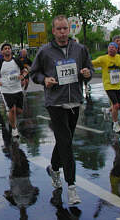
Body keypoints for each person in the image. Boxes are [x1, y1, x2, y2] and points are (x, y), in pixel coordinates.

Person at [30, 15, 92, 205]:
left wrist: (87, 74)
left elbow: (89, 69)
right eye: (59, 29)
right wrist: (44, 80)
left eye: (65, 28)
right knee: (66, 144)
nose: (63, 32)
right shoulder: (45, 51)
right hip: (55, 103)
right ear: (53, 31)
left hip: (74, 101)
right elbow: (34, 73)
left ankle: (54, 169)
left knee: (64, 141)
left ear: (69, 29)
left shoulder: (80, 49)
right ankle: (72, 188)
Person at [92, 42, 120, 133]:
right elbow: (92, 63)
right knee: (116, 105)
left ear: (117, 50)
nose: (111, 49)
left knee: (119, 106)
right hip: (108, 85)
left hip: (117, 85)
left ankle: (107, 110)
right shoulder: (103, 59)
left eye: (113, 47)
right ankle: (115, 124)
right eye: (110, 47)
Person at [0, 43, 28, 139]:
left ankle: (10, 115)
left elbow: (25, 70)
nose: (7, 50)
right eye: (5, 48)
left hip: (17, 88)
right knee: (12, 109)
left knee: (19, 111)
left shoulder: (17, 61)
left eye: (9, 48)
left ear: (11, 50)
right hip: (6, 89)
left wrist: (23, 77)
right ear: (2, 52)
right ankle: (14, 128)